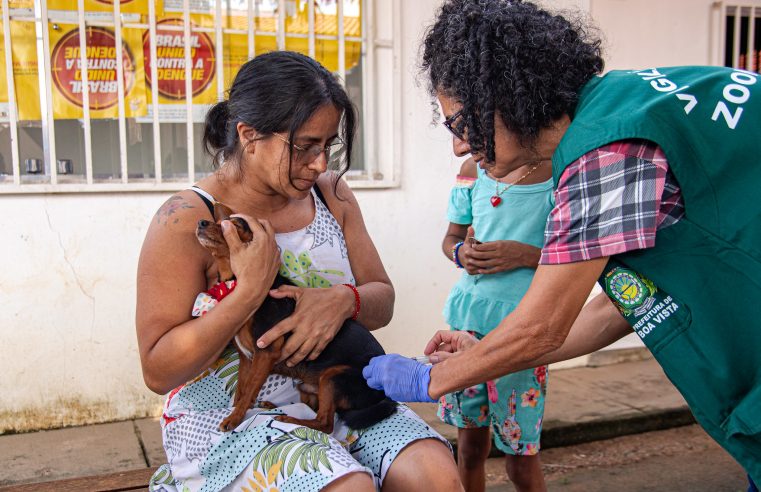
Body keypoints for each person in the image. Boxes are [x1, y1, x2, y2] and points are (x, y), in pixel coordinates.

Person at [362, 0, 761, 487]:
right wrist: (482, 350)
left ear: (506, 95)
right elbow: (620, 307)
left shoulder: (606, 147)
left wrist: (431, 379)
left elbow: (544, 327)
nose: (459, 147)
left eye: (460, 124)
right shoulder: (629, 104)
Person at [136, 51, 461, 492]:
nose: (320, 163)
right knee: (348, 487)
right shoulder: (186, 220)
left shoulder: (331, 196)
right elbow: (158, 371)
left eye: (328, 145)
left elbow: (382, 298)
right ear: (249, 135)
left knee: (435, 474)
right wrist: (248, 293)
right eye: (305, 146)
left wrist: (346, 300)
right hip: (228, 420)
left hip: (334, 395)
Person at [439, 155, 552, 492]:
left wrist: (524, 254)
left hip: (523, 331)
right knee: (470, 449)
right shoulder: (472, 172)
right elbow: (451, 238)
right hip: (466, 322)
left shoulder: (559, 172)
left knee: (521, 458)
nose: (459, 143)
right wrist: (461, 253)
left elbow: (580, 256)